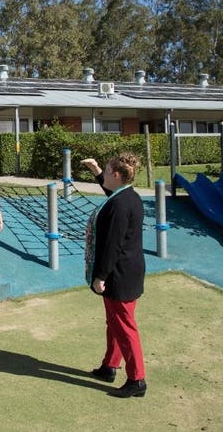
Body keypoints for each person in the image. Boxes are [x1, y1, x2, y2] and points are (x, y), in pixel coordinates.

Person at [82, 154, 147, 398]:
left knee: (125, 327)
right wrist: (97, 171)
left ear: (117, 175)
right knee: (115, 324)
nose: (105, 175)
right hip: (127, 271)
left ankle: (137, 380)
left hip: (119, 274)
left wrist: (100, 276)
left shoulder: (121, 205)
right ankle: (110, 365)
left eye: (108, 171)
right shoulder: (127, 196)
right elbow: (112, 195)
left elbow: (112, 245)